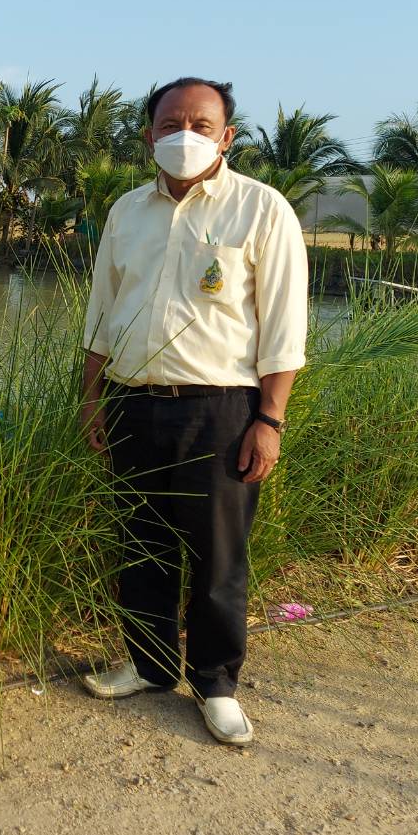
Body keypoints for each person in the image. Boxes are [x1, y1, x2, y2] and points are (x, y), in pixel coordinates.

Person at [78, 76, 307, 745]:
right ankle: (149, 667)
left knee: (217, 557)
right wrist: (91, 398)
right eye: (170, 123)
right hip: (131, 402)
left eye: (200, 124)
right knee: (141, 546)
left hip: (219, 411)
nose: (185, 135)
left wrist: (269, 420)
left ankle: (214, 683)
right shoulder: (125, 212)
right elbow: (100, 314)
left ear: (226, 136)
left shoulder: (260, 210)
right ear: (148, 135)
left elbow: (283, 330)